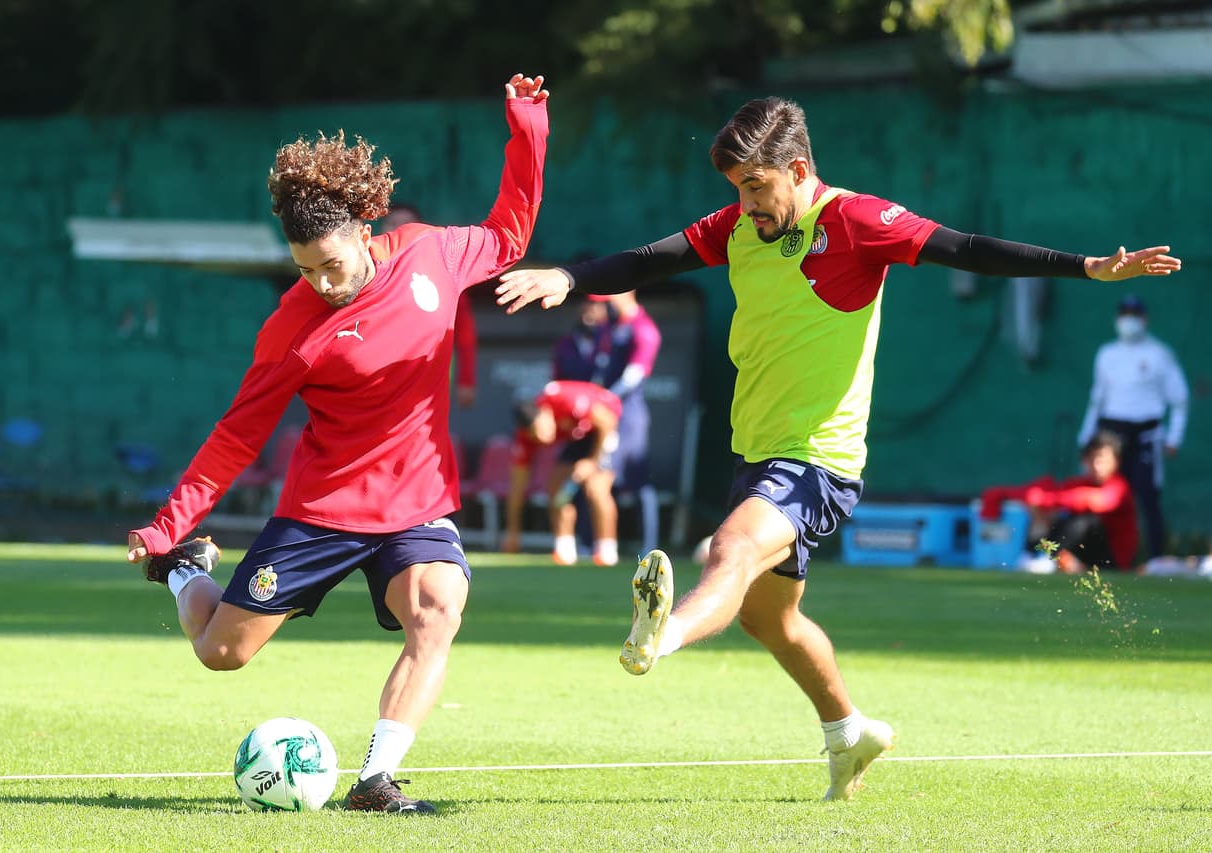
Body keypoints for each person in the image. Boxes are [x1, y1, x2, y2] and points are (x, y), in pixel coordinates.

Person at [493, 96, 1180, 800]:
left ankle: (661, 634)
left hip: (819, 456)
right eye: (737, 190)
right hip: (757, 451)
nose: (746, 204)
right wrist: (571, 277)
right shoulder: (738, 226)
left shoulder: (856, 221)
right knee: (770, 617)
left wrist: (1089, 267)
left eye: (757, 187)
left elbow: (966, 248)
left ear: (796, 168)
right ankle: (849, 732)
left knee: (729, 550)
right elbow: (651, 259)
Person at [125, 73, 550, 815]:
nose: (322, 281)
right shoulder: (291, 328)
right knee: (221, 651)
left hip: (415, 498)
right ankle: (180, 571)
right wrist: (168, 526)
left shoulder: (431, 255)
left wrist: (529, 128)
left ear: (363, 227)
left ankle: (375, 780)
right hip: (324, 507)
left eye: (332, 263)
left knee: (438, 609)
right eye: (304, 269)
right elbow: (235, 436)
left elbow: (510, 232)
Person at [1077, 295, 1188, 559]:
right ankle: (1098, 558)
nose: (1129, 320)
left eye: (1134, 314)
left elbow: (1180, 398)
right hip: (1110, 435)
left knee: (1148, 498)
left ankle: (1156, 559)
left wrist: (1175, 437)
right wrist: (1086, 436)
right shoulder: (1106, 354)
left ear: (1144, 319)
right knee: (1102, 496)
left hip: (1145, 435)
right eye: (1124, 314)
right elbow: (1097, 398)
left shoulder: (1159, 354)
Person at [552, 291, 663, 550]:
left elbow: (634, 374)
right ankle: (591, 545)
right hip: (601, 418)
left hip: (627, 419)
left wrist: (602, 397)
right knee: (591, 481)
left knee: (631, 483)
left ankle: (648, 548)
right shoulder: (608, 329)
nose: (604, 303)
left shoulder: (644, 329)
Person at [980, 431, 1139, 572]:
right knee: (1047, 513)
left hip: (1113, 561)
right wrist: (1002, 494)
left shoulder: (1120, 487)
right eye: (1092, 459)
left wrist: (1046, 499)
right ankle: (1032, 555)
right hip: (1081, 553)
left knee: (1087, 521)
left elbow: (1091, 501)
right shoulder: (1080, 482)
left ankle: (1047, 558)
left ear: (1116, 461)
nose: (1097, 466)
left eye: (1102, 460)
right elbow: (1049, 492)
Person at [503, 380, 623, 566]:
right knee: (556, 488)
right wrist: (513, 531)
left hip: (611, 426)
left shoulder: (564, 399)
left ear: (544, 412)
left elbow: (607, 422)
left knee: (595, 488)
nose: (541, 438)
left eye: (540, 429)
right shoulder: (525, 438)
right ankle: (565, 551)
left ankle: (607, 553)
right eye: (535, 435)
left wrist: (592, 461)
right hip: (581, 436)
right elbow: (518, 485)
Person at [381, 202, 480, 409]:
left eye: (407, 225)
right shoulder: (366, 276)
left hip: (427, 386)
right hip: (377, 384)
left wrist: (466, 380)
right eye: (392, 224)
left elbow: (465, 335)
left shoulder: (443, 275)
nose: (399, 231)